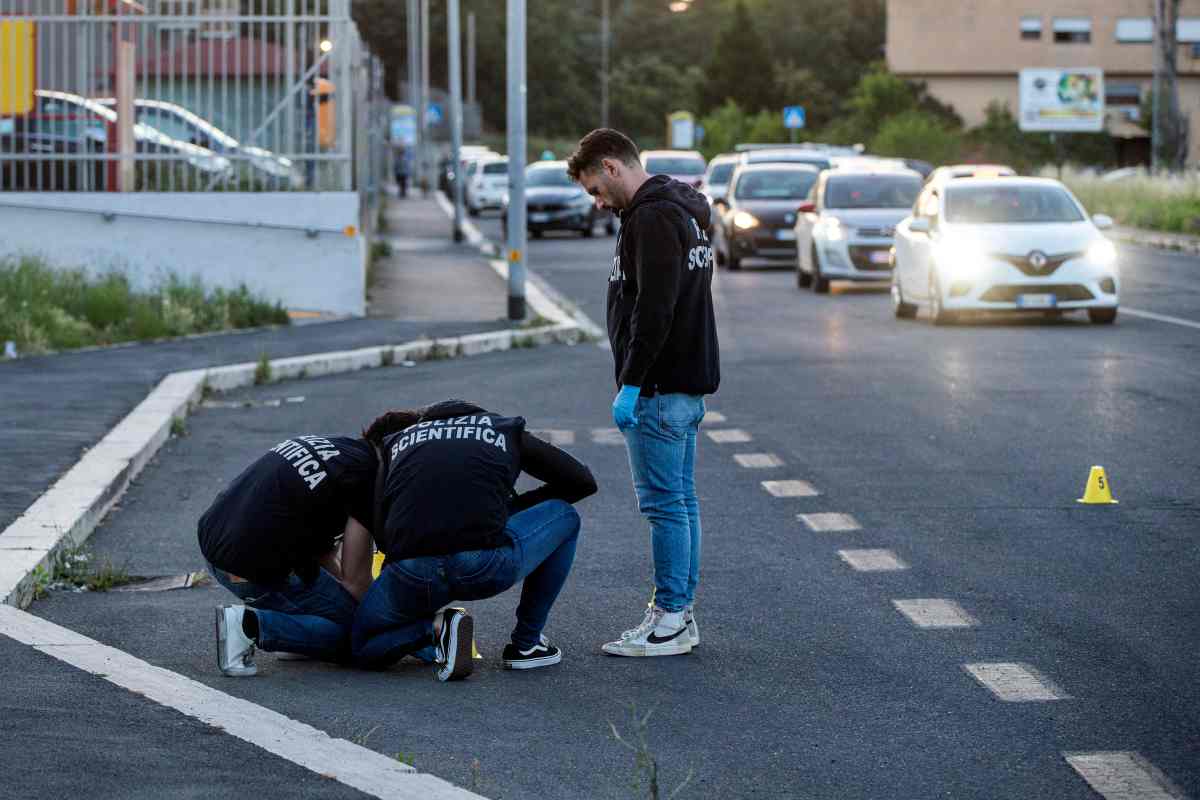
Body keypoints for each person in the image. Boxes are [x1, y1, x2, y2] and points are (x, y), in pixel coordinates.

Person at [567, 129, 720, 658]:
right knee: (681, 502)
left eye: (595, 189)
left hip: (659, 387)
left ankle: (670, 619)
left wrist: (631, 385)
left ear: (611, 167)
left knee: (663, 506)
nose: (598, 203)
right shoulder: (682, 211)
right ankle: (680, 612)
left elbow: (654, 311)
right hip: (684, 384)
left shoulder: (651, 218)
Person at [351, 400, 597, 681]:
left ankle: (436, 629)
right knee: (564, 515)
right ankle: (527, 645)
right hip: (483, 565)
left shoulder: (397, 441)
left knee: (362, 646)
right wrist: (507, 511)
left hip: (412, 571)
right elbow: (582, 481)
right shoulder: (504, 429)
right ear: (479, 416)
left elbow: (383, 526)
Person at [198, 412, 420, 676]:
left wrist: (339, 600)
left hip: (216, 546)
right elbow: (356, 582)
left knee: (343, 610)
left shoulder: (337, 451)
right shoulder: (367, 480)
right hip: (251, 564)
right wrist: (404, 624)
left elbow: (322, 551)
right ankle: (251, 625)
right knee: (364, 639)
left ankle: (295, 634)